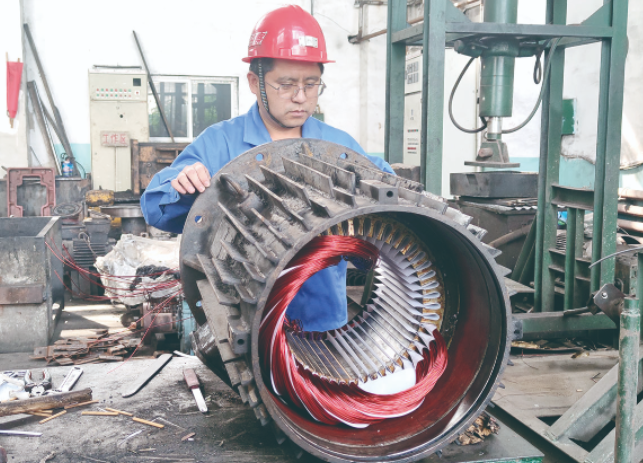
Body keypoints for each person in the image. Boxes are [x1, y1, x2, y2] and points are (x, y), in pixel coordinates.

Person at [141, 4, 394, 332]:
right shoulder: (221, 143)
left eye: (311, 84)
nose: (301, 97)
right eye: (286, 85)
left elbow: (386, 189)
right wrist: (182, 184)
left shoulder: (337, 145)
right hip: (247, 326)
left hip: (325, 325)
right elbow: (156, 208)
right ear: (254, 81)